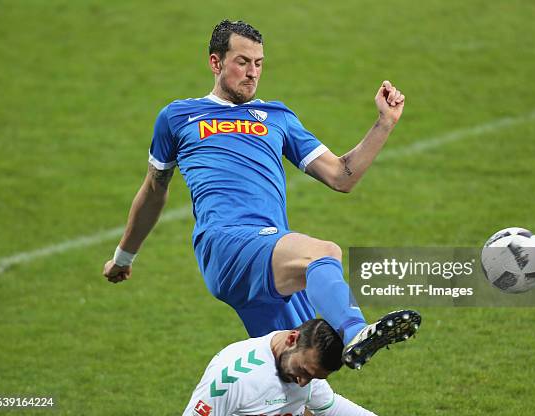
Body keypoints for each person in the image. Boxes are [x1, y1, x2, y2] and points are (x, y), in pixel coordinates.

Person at [102, 19, 420, 369]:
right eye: (242, 62)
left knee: (303, 370)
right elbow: (153, 190)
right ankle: (357, 331)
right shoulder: (178, 117)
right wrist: (124, 257)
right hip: (225, 244)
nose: (252, 73)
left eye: (258, 63)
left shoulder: (277, 116)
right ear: (216, 62)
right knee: (322, 253)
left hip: (270, 256)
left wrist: (385, 123)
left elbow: (341, 176)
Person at [182, 319, 380, 416]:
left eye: (313, 378)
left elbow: (330, 407)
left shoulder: (307, 367)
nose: (303, 383)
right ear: (292, 339)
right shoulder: (232, 377)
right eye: (303, 372)